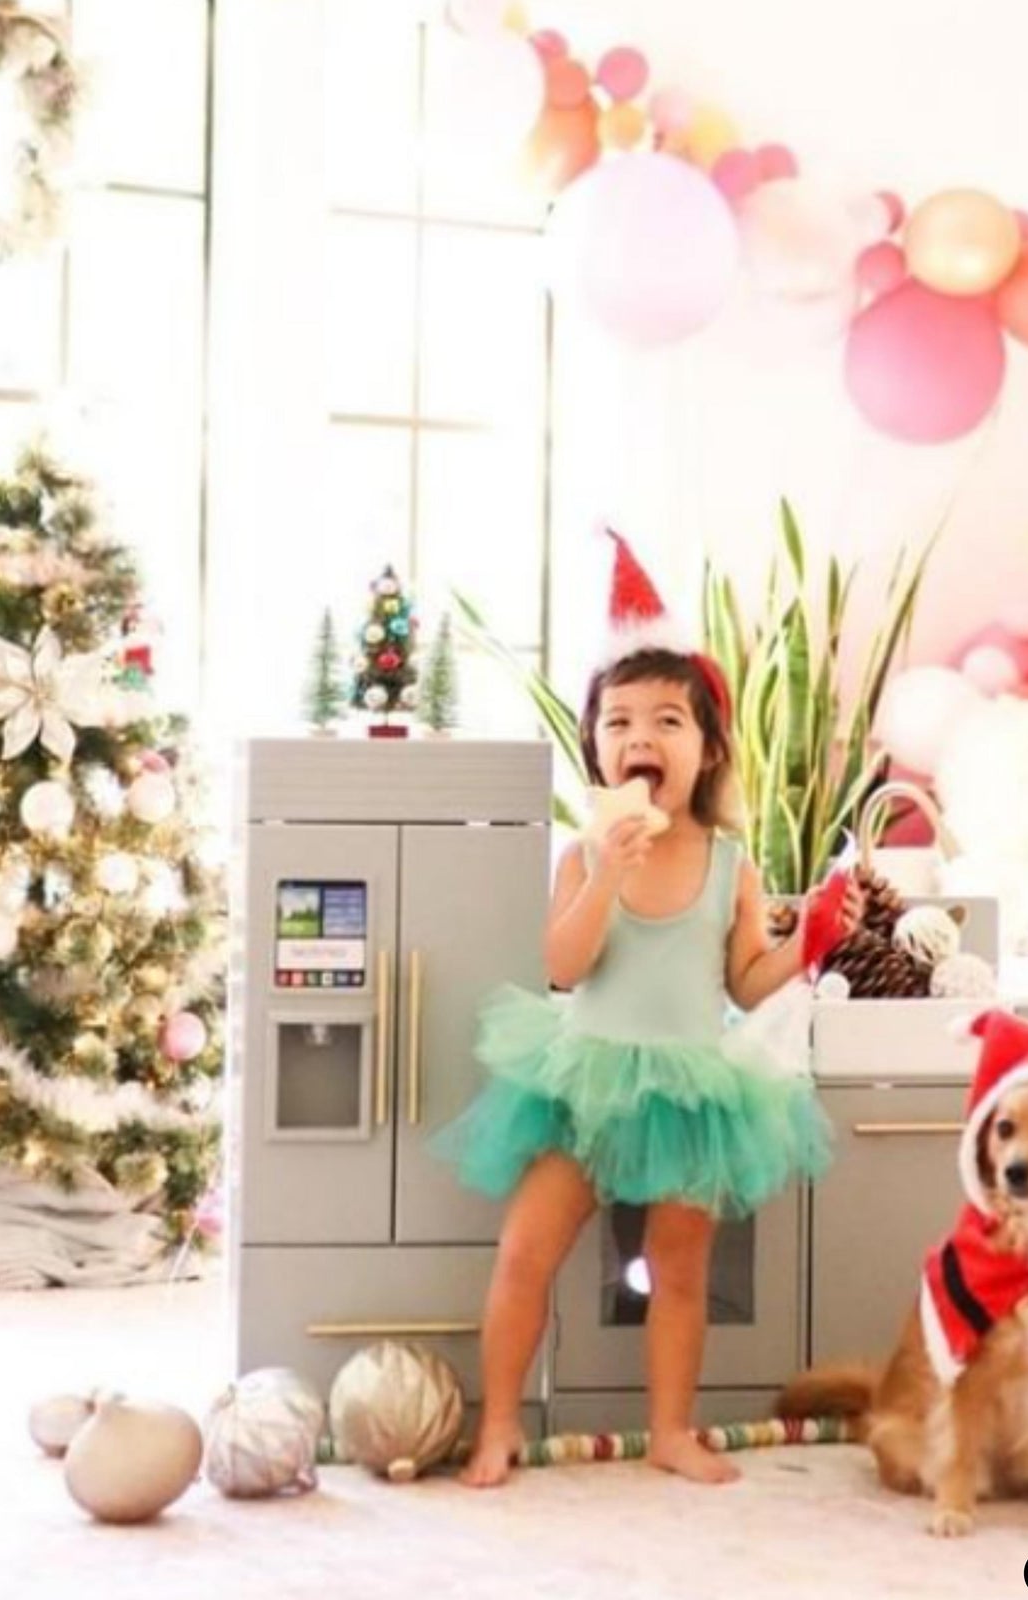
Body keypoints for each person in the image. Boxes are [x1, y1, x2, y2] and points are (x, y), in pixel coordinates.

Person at [435, 529, 858, 1487]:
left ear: (707, 749)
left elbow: (747, 981)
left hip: (689, 1083)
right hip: (583, 1075)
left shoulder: (728, 863)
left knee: (679, 1268)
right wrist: (604, 876)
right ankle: (496, 1423)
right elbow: (562, 964)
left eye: (668, 722)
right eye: (619, 721)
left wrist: (813, 937)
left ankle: (672, 1430)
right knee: (524, 1252)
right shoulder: (587, 853)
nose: (640, 739)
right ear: (594, 744)